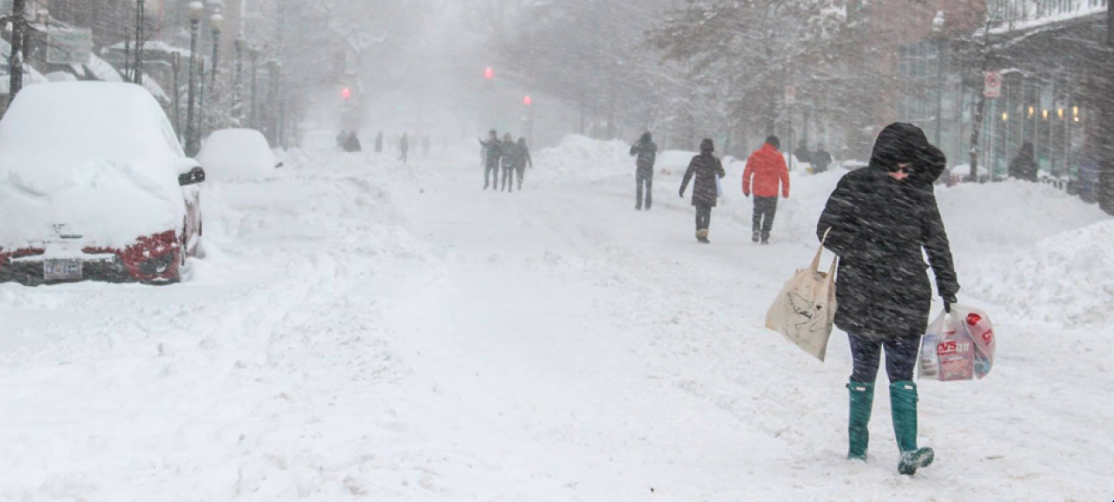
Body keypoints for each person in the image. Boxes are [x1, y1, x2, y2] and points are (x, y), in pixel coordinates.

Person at [816, 122, 959, 476]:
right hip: (863, 292)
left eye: (908, 167)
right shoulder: (857, 184)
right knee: (863, 370)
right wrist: (867, 251)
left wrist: (948, 287)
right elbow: (826, 229)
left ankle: (908, 450)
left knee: (901, 373)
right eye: (896, 165)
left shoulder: (920, 193)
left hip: (906, 294)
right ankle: (856, 448)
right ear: (883, 160)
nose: (901, 173)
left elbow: (937, 242)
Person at [742, 136, 790, 244]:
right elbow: (784, 174)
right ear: (776, 145)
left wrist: (745, 188)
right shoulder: (778, 156)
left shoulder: (755, 155)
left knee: (757, 211)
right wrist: (785, 190)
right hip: (772, 191)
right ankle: (765, 234)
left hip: (758, 189)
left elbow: (747, 173)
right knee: (769, 214)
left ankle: (755, 228)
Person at [679, 139, 726, 244]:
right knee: (707, 212)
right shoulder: (715, 160)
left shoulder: (696, 159)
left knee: (699, 212)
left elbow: (688, 174)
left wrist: (682, 188)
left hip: (699, 189)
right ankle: (704, 233)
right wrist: (716, 171)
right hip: (710, 190)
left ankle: (699, 231)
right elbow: (722, 174)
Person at [630, 132, 658, 211]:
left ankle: (639, 205)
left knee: (639, 188)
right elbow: (655, 148)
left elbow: (632, 153)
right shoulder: (653, 146)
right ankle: (648, 206)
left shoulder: (640, 145)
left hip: (640, 169)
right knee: (648, 189)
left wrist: (636, 144)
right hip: (649, 170)